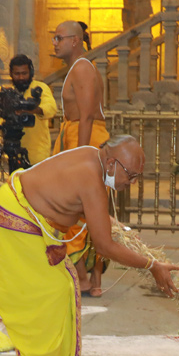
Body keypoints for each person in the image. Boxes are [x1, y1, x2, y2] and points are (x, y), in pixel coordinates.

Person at [0, 134, 178, 356]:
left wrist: (115, 225)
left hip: (29, 216)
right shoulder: (91, 178)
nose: (131, 183)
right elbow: (104, 245)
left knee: (65, 286)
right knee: (48, 292)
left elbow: (81, 206)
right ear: (111, 164)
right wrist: (152, 266)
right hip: (15, 221)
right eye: (130, 176)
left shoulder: (93, 158)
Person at [52, 20, 111, 296]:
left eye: (59, 38)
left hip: (85, 140)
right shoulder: (78, 67)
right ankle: (92, 281)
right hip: (76, 138)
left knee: (74, 211)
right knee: (87, 211)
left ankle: (86, 278)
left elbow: (86, 115)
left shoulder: (83, 67)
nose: (55, 43)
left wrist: (81, 158)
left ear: (75, 41)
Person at [7, 54, 56, 167]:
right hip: (14, 152)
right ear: (11, 74)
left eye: (24, 73)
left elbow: (51, 108)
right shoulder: (10, 93)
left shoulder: (40, 88)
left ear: (31, 73)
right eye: (17, 74)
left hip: (37, 156)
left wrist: (34, 110)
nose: (20, 77)